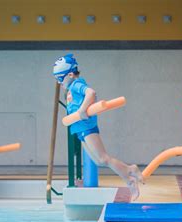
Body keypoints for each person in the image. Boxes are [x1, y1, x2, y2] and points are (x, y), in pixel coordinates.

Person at [53, 54, 144, 199]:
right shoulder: (71, 87)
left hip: (87, 127)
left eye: (59, 78)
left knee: (104, 159)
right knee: (97, 160)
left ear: (70, 74)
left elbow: (91, 93)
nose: (58, 82)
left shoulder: (76, 84)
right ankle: (129, 177)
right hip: (80, 130)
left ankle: (130, 173)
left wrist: (82, 110)